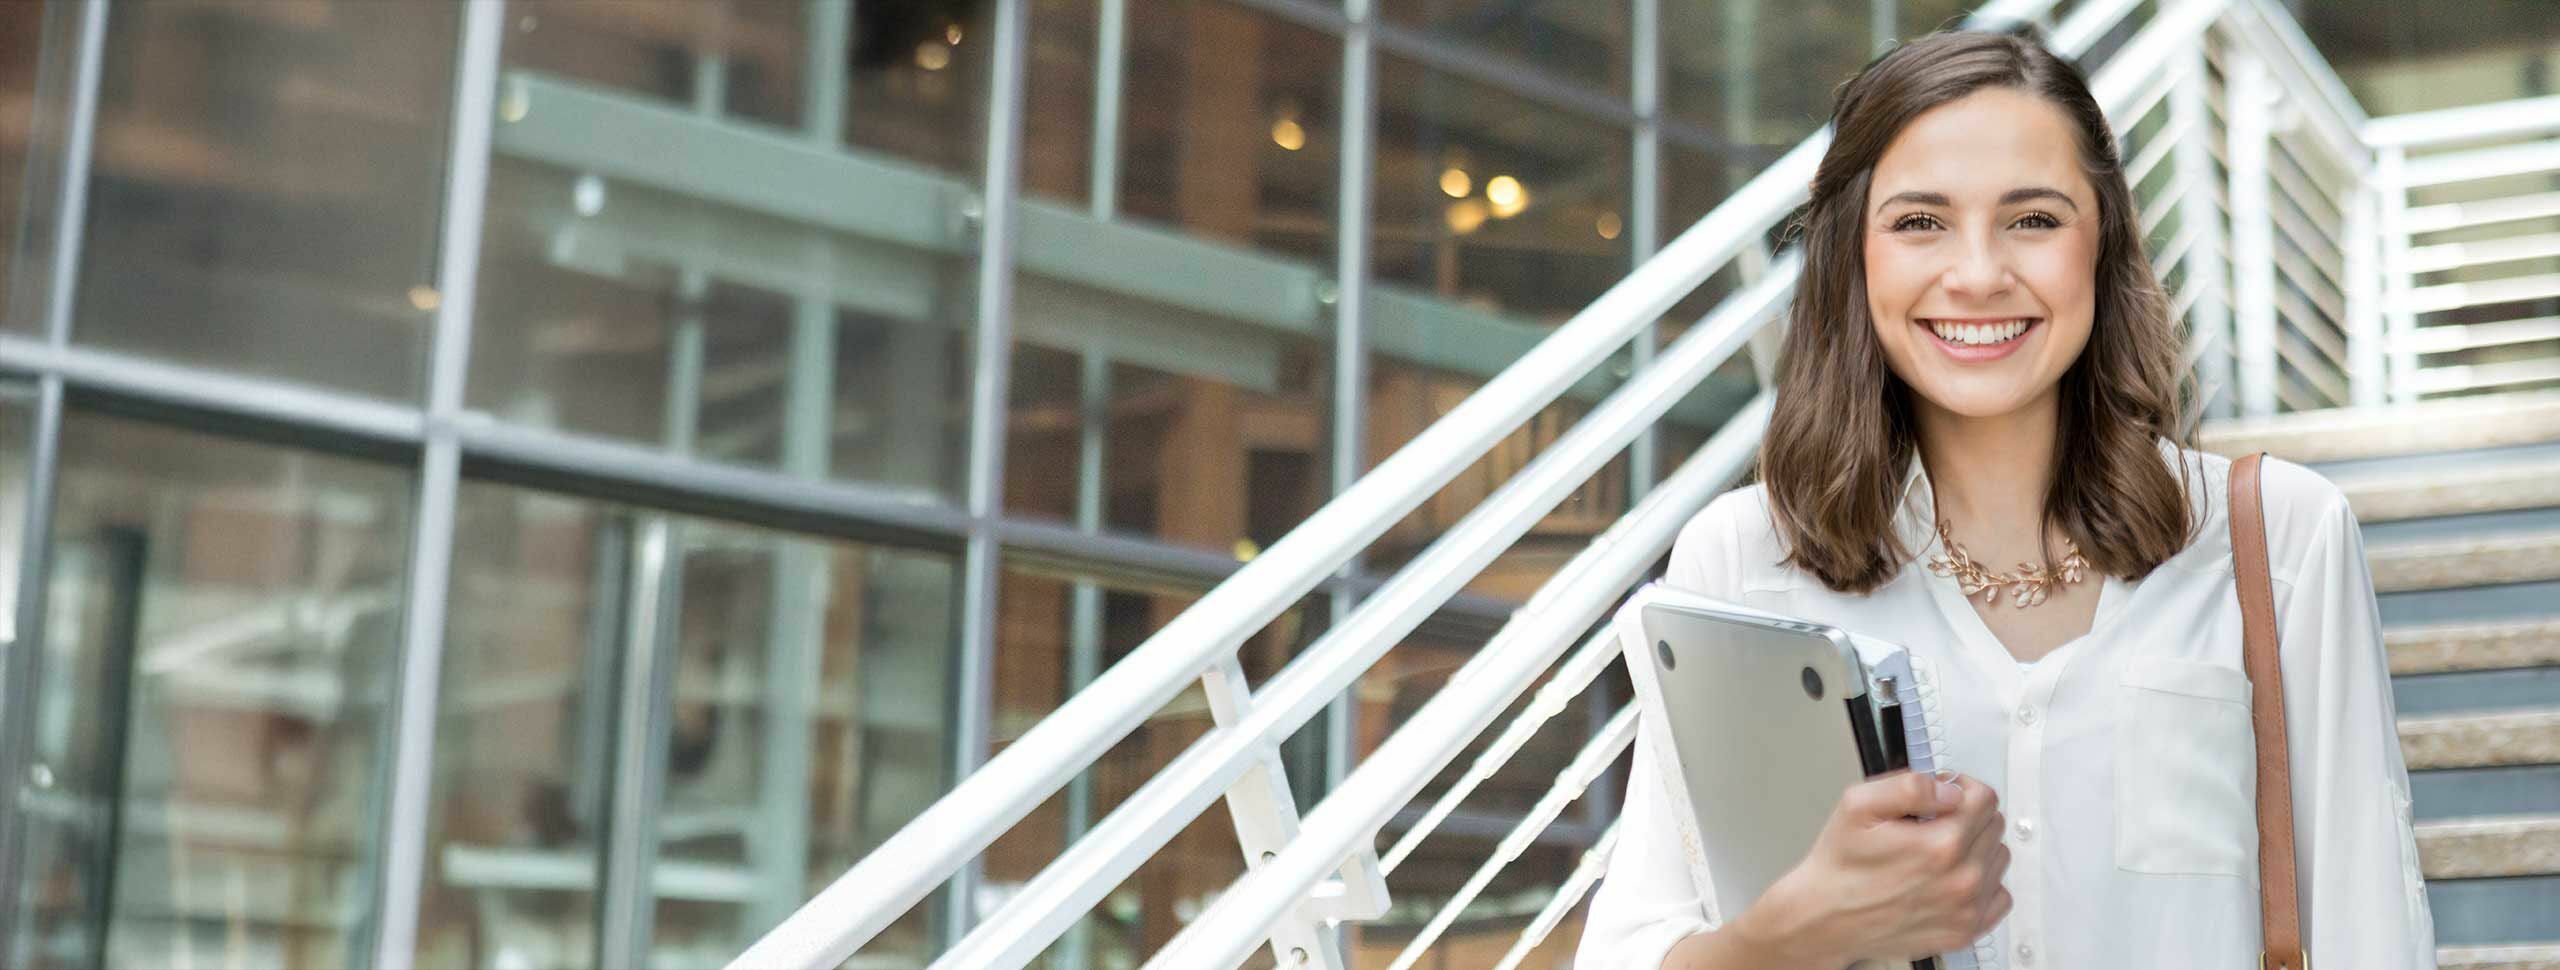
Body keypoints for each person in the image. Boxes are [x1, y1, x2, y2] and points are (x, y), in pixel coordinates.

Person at [1574, 29, 2436, 970]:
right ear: (1853, 255)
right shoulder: (1744, 559)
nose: (1980, 274)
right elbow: (1629, 950)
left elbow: (2371, 933)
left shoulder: (2279, 539)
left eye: (2033, 220)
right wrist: (1794, 933)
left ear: (2102, 243)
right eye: (1920, 222)